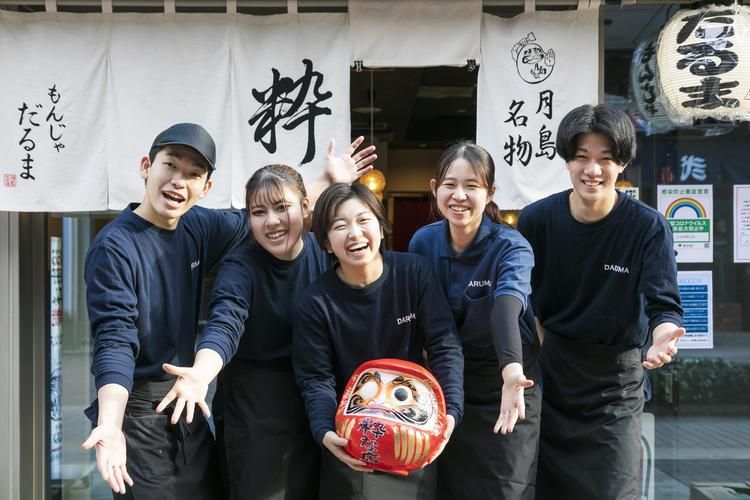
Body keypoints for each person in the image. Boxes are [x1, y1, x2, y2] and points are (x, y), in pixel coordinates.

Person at [81, 122, 373, 498]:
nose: (178, 181)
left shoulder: (197, 226)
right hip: (139, 407)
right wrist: (110, 422)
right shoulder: (115, 247)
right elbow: (117, 339)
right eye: (170, 166)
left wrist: (327, 182)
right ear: (146, 167)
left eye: (193, 174)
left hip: (186, 401)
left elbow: (271, 214)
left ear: (206, 188)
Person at [516, 104, 685, 500]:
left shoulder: (646, 226)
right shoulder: (537, 220)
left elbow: (663, 303)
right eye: (582, 157)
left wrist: (663, 336)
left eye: (605, 159)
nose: (592, 170)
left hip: (615, 386)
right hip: (554, 380)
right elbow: (524, 301)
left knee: (613, 489)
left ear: (621, 163)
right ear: (567, 160)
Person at [293, 183, 465, 500]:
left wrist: (450, 411)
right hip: (353, 436)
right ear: (326, 243)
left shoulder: (414, 273)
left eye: (363, 220)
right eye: (340, 226)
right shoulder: (315, 302)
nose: (354, 233)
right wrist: (325, 431)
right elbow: (316, 378)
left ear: (381, 226)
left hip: (414, 430)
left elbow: (444, 345)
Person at [409, 141, 541, 500]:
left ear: (490, 192)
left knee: (506, 487)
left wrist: (511, 372)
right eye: (450, 185)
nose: (459, 196)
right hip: (449, 383)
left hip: (508, 382)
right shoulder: (423, 242)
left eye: (472, 186)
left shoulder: (511, 246)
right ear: (435, 188)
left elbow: (505, 306)